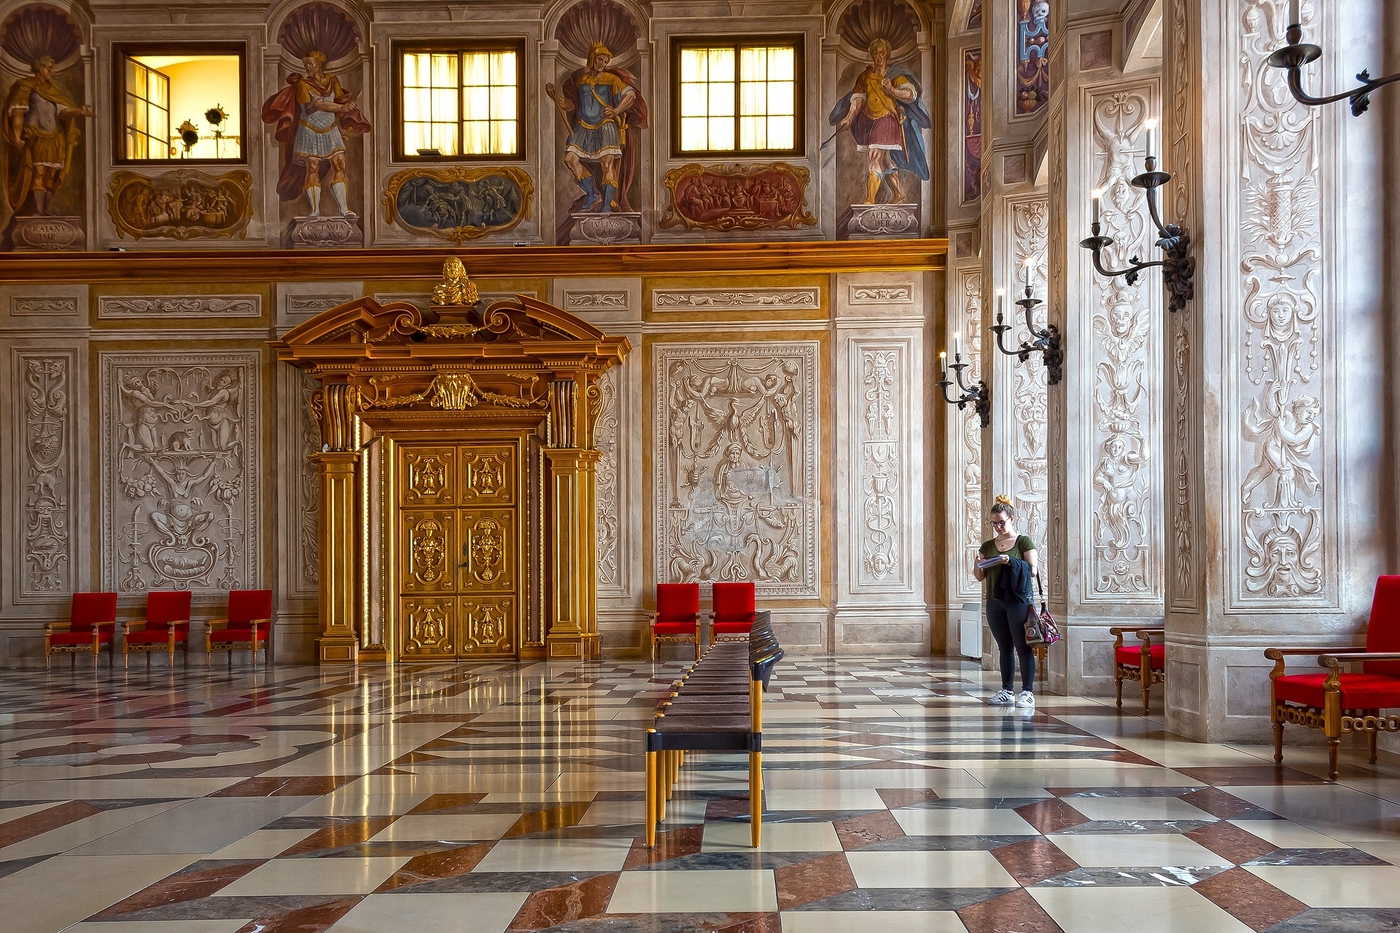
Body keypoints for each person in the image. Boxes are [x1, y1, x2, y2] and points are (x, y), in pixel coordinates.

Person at [262, 50, 371, 217]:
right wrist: (342, 107)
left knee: (340, 163)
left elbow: (339, 102)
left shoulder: (333, 80)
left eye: (311, 64)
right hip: (309, 129)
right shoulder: (303, 84)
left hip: (331, 128)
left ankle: (343, 209)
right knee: (312, 167)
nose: (308, 67)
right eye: (306, 64)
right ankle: (315, 210)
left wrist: (344, 118)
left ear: (320, 64)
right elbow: (317, 105)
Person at [546, 43, 645, 214]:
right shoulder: (581, 79)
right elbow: (571, 104)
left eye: (605, 61)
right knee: (570, 159)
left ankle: (606, 205)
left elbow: (631, 95)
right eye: (599, 59)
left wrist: (616, 110)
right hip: (583, 126)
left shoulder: (612, 79)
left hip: (605, 126)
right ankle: (592, 194)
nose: (601, 63)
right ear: (592, 59)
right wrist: (555, 96)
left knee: (607, 164)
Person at [829, 38, 930, 205]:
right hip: (868, 121)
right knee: (886, 160)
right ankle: (898, 193)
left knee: (875, 155)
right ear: (871, 55)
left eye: (882, 53)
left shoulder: (894, 75)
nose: (878, 56)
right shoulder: (865, 76)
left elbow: (910, 95)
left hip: (887, 119)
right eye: (875, 53)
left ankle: (870, 199)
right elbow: (858, 100)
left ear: (887, 55)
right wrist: (849, 117)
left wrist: (891, 89)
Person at [3, 55, 92, 216]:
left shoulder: (53, 90)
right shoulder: (25, 86)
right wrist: (17, 136)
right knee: (39, 172)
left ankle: (46, 209)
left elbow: (62, 112)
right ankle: (38, 210)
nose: (53, 71)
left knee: (52, 174)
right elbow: (18, 112)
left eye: (53, 67)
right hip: (36, 136)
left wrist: (79, 111)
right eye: (50, 67)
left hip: (55, 137)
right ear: (40, 68)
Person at [973, 494, 1039, 708]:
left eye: (1001, 522)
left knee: (1023, 646)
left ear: (1011, 518)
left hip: (1018, 600)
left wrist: (1011, 561)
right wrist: (977, 564)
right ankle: (1007, 690)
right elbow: (979, 576)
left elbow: (1033, 571)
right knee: (1004, 647)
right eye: (994, 523)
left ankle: (1027, 692)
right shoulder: (988, 545)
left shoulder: (1023, 541)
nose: (998, 527)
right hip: (994, 600)